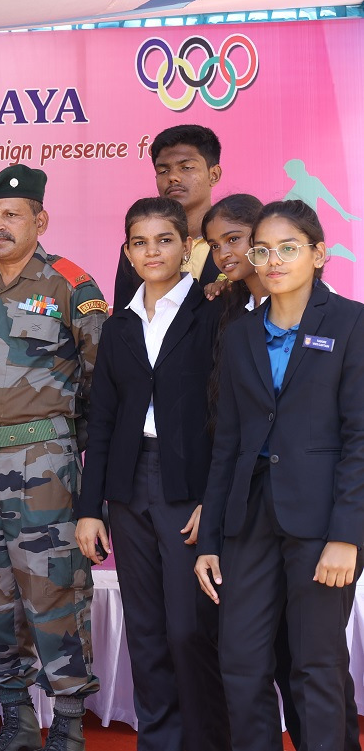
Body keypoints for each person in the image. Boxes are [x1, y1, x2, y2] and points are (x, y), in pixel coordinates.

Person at [195, 201, 364, 751]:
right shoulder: (241, 333)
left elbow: (360, 438)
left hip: (322, 523)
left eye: (288, 248)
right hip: (249, 520)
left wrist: (347, 536)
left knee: (315, 662)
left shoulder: (352, 323)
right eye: (262, 250)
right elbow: (227, 445)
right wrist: (211, 540)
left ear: (318, 254)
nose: (273, 260)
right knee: (240, 660)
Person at [0, 164, 105, 751]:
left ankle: (68, 725)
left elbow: (101, 383)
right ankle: (15, 721)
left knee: (54, 590)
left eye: (11, 215)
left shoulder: (72, 285)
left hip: (44, 466)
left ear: (40, 220)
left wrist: (61, 444)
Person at [74, 197, 228, 751]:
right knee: (145, 629)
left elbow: (228, 415)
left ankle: (207, 742)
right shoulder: (120, 325)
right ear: (127, 252)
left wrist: (214, 499)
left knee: (189, 629)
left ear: (187, 247)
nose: (152, 252)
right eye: (140, 243)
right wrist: (91, 508)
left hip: (189, 486)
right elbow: (103, 419)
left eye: (165, 240)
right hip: (127, 485)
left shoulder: (215, 314)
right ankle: (159, 741)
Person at [114, 125, 224, 308]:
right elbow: (123, 316)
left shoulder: (237, 242)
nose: (173, 177)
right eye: (163, 171)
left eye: (186, 167)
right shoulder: (138, 249)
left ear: (214, 175)